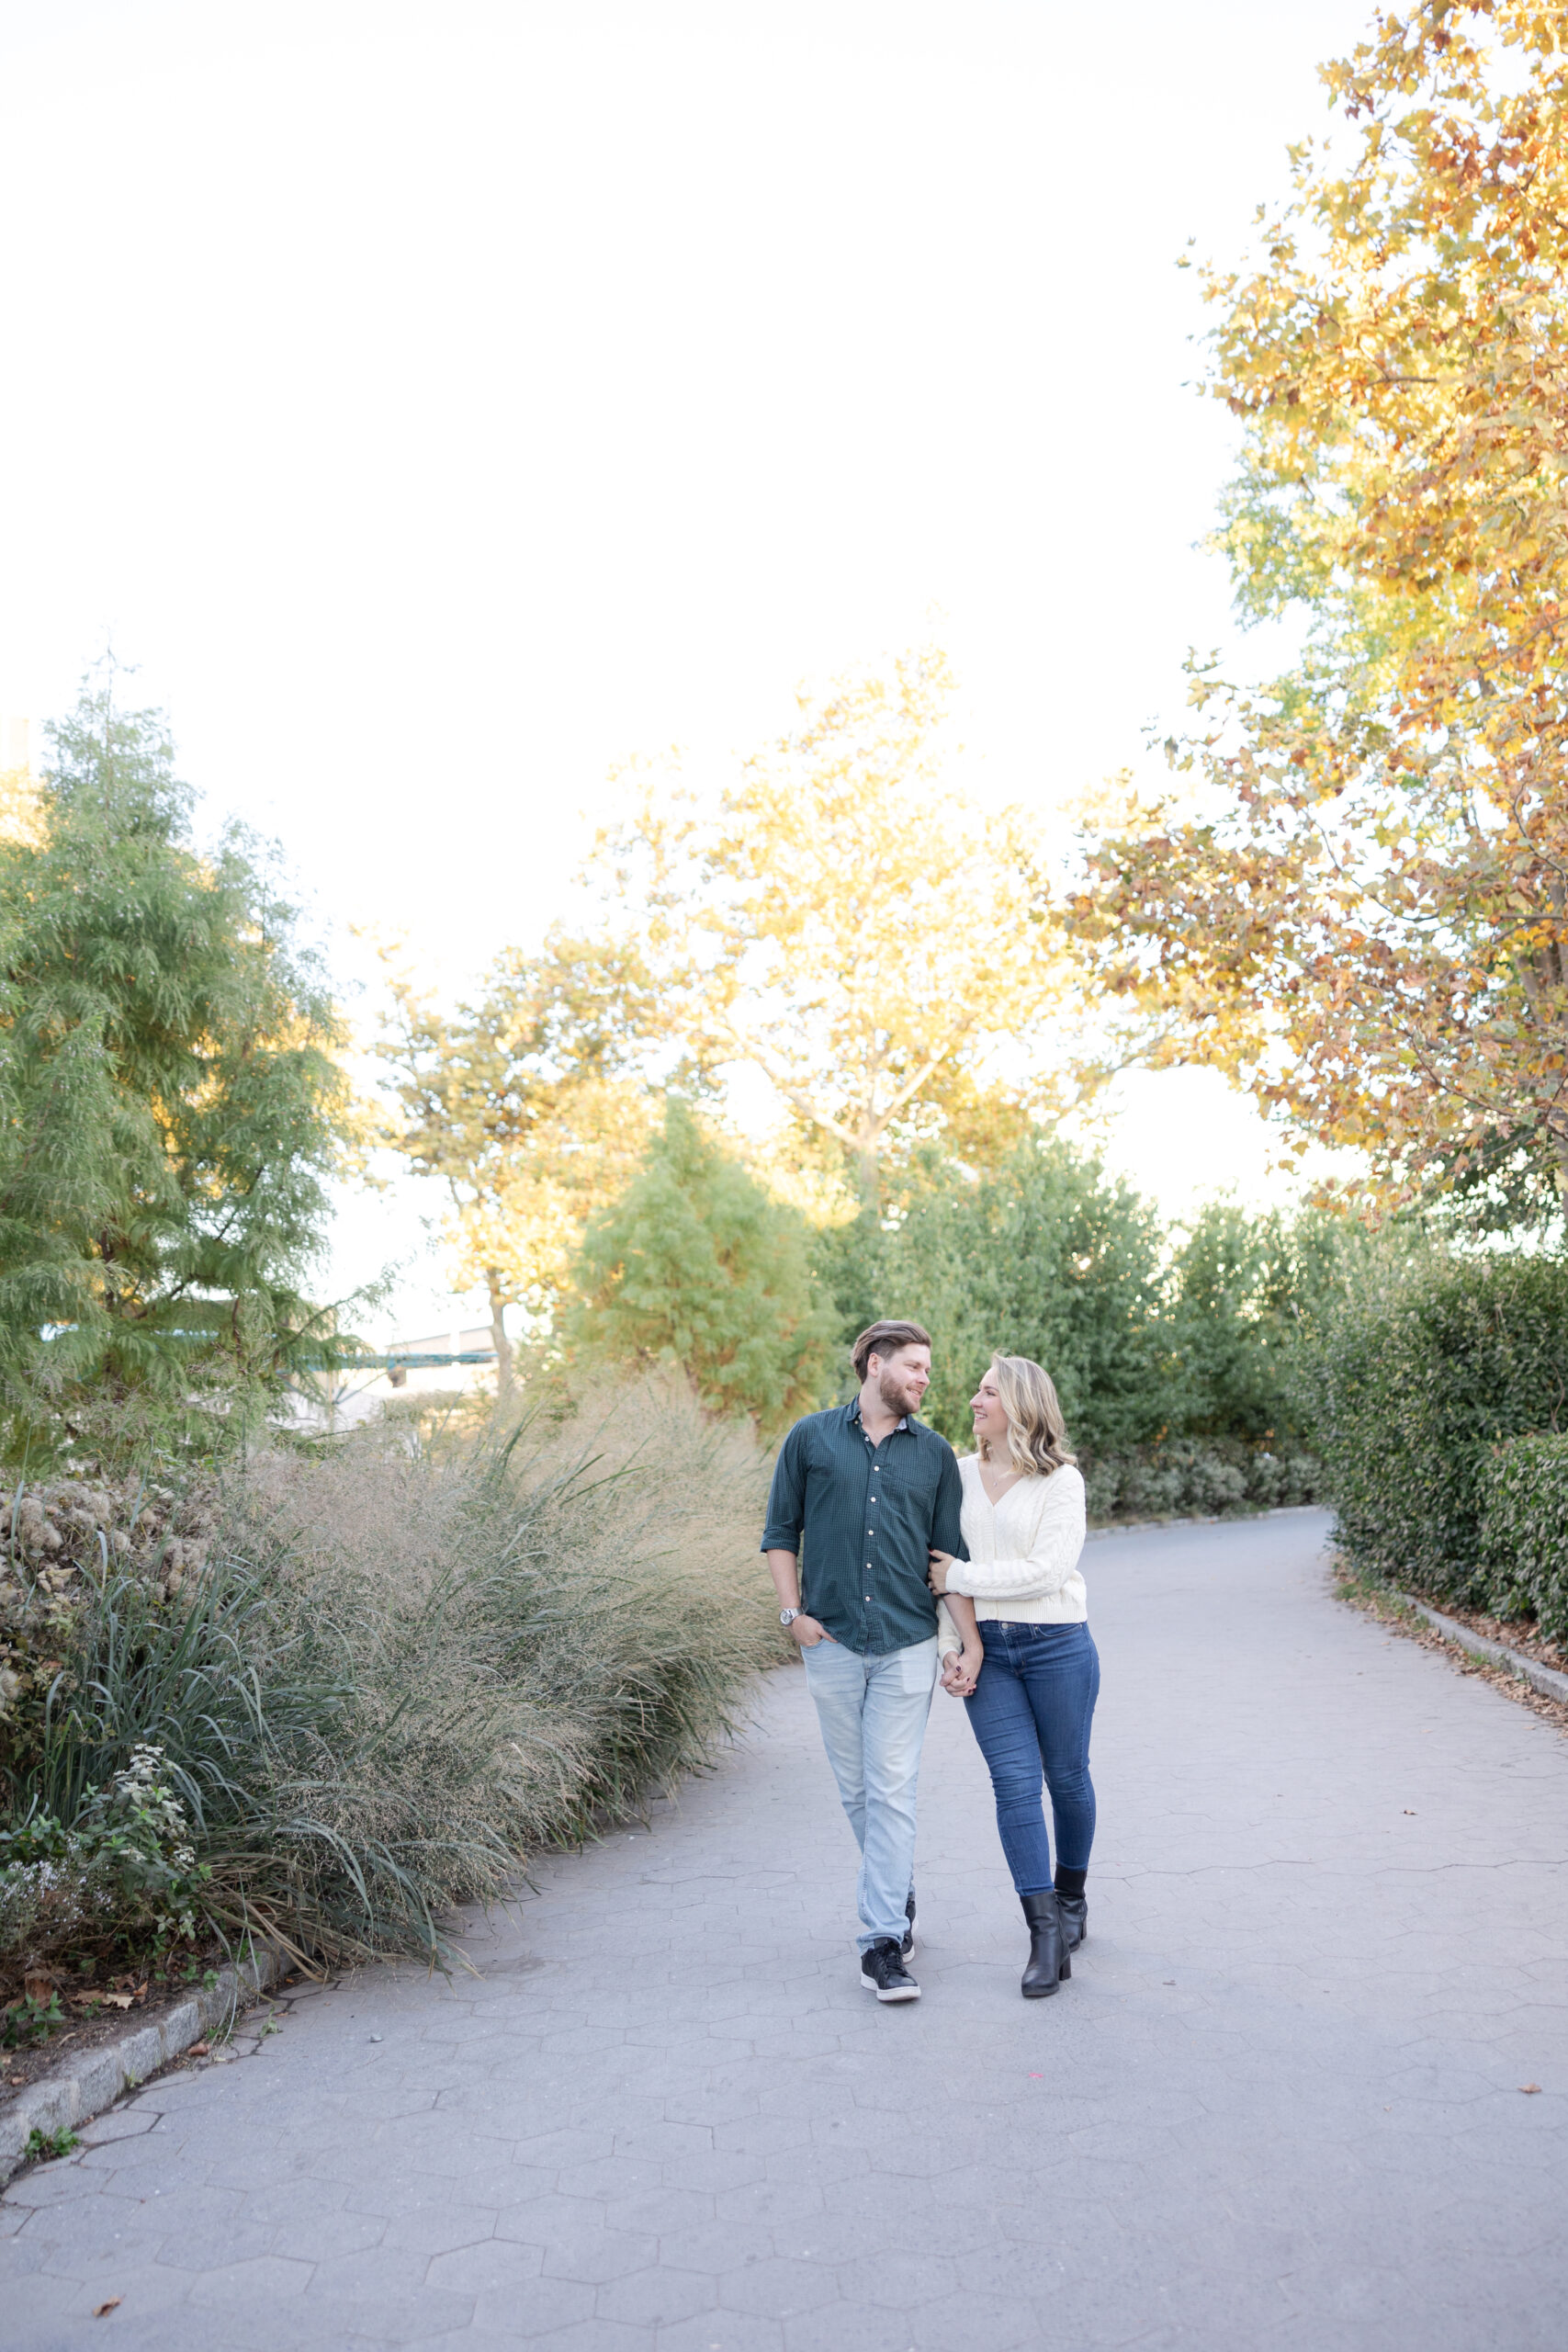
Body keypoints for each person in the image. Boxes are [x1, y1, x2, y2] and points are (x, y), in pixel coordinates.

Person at [761, 1319, 980, 2003]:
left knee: (890, 1789)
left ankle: (881, 1942)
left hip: (905, 1645)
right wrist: (792, 1615)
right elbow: (779, 1531)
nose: (924, 1379)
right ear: (875, 1364)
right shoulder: (809, 1439)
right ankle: (896, 1886)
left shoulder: (934, 1455)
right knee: (858, 1791)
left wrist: (963, 1643)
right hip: (829, 1643)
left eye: (927, 1369)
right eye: (914, 1366)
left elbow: (946, 1561)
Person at [930, 1354, 1096, 2000]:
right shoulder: (958, 1474)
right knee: (1015, 1786)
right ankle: (1044, 1934)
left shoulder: (1061, 1482)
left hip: (1057, 1646)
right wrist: (953, 1646)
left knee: (1067, 1778)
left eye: (988, 1392)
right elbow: (938, 1569)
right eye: (977, 1390)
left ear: (1022, 1405)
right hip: (988, 1654)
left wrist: (961, 1576)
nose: (975, 1400)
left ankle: (1072, 1896)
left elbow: (1047, 1571)